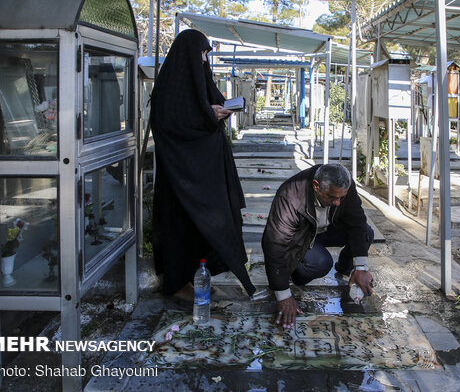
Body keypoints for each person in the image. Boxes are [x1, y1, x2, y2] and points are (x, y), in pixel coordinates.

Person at [149, 29, 256, 303]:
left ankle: (200, 275)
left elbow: (207, 107)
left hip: (206, 172)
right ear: (188, 54)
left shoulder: (199, 79)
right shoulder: (169, 88)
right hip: (181, 176)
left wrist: (218, 110)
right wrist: (209, 115)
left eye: (207, 53)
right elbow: (171, 125)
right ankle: (177, 283)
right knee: (182, 226)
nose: (206, 60)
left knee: (214, 224)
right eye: (203, 53)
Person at [262, 164, 374, 329]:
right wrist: (283, 294)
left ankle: (348, 270)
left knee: (366, 233)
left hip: (327, 230)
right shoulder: (290, 195)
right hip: (302, 237)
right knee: (321, 263)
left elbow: (357, 222)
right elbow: (274, 244)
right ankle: (296, 275)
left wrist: (361, 267)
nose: (337, 203)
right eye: (331, 197)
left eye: (341, 198)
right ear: (316, 186)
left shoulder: (344, 186)